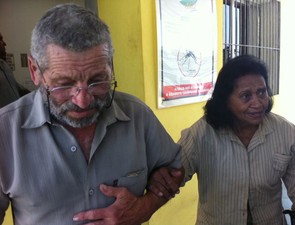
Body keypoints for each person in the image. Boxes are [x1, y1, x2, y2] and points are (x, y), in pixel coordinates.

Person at [0, 3, 184, 225]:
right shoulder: (4, 131)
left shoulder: (138, 116)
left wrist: (144, 207)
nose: (83, 100)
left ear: (111, 66)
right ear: (34, 70)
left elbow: (175, 171)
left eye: (97, 80)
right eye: (64, 84)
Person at [149, 55, 295, 225]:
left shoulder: (287, 134)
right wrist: (158, 178)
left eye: (261, 92)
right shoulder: (201, 135)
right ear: (225, 101)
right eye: (245, 96)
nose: (258, 103)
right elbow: (171, 177)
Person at [0, 32, 30, 107]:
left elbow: (16, 87)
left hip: (16, 114)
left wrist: (39, 94)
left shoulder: (4, 65)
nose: (4, 43)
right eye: (0, 39)